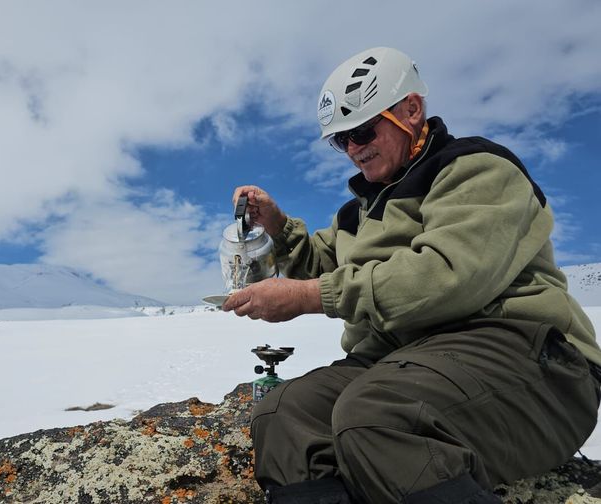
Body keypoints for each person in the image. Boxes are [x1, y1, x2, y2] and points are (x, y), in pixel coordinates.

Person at [223, 46, 601, 504]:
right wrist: (277, 225)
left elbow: (448, 275)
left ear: (412, 110)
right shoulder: (358, 214)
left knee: (377, 414)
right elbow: (319, 262)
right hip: (408, 361)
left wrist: (306, 296)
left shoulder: (477, 169)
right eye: (342, 140)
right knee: (283, 414)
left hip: (527, 358)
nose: (354, 149)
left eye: (362, 130)